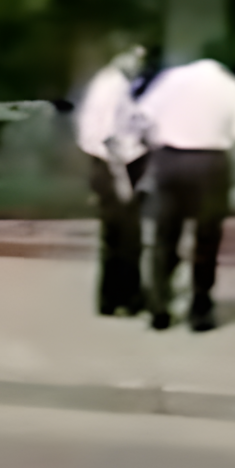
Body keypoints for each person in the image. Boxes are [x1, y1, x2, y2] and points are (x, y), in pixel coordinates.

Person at [132, 48, 235, 333]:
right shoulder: (234, 88)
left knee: (164, 237)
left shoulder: (170, 80)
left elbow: (143, 120)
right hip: (210, 163)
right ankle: (200, 308)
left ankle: (158, 306)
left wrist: (151, 159)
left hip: (169, 159)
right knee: (206, 239)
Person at [73, 38, 150, 318]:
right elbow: (109, 137)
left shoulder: (113, 83)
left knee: (116, 236)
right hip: (116, 167)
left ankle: (112, 298)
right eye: (135, 56)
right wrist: (122, 180)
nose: (139, 63)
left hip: (114, 166)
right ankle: (126, 297)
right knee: (127, 237)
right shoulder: (112, 86)